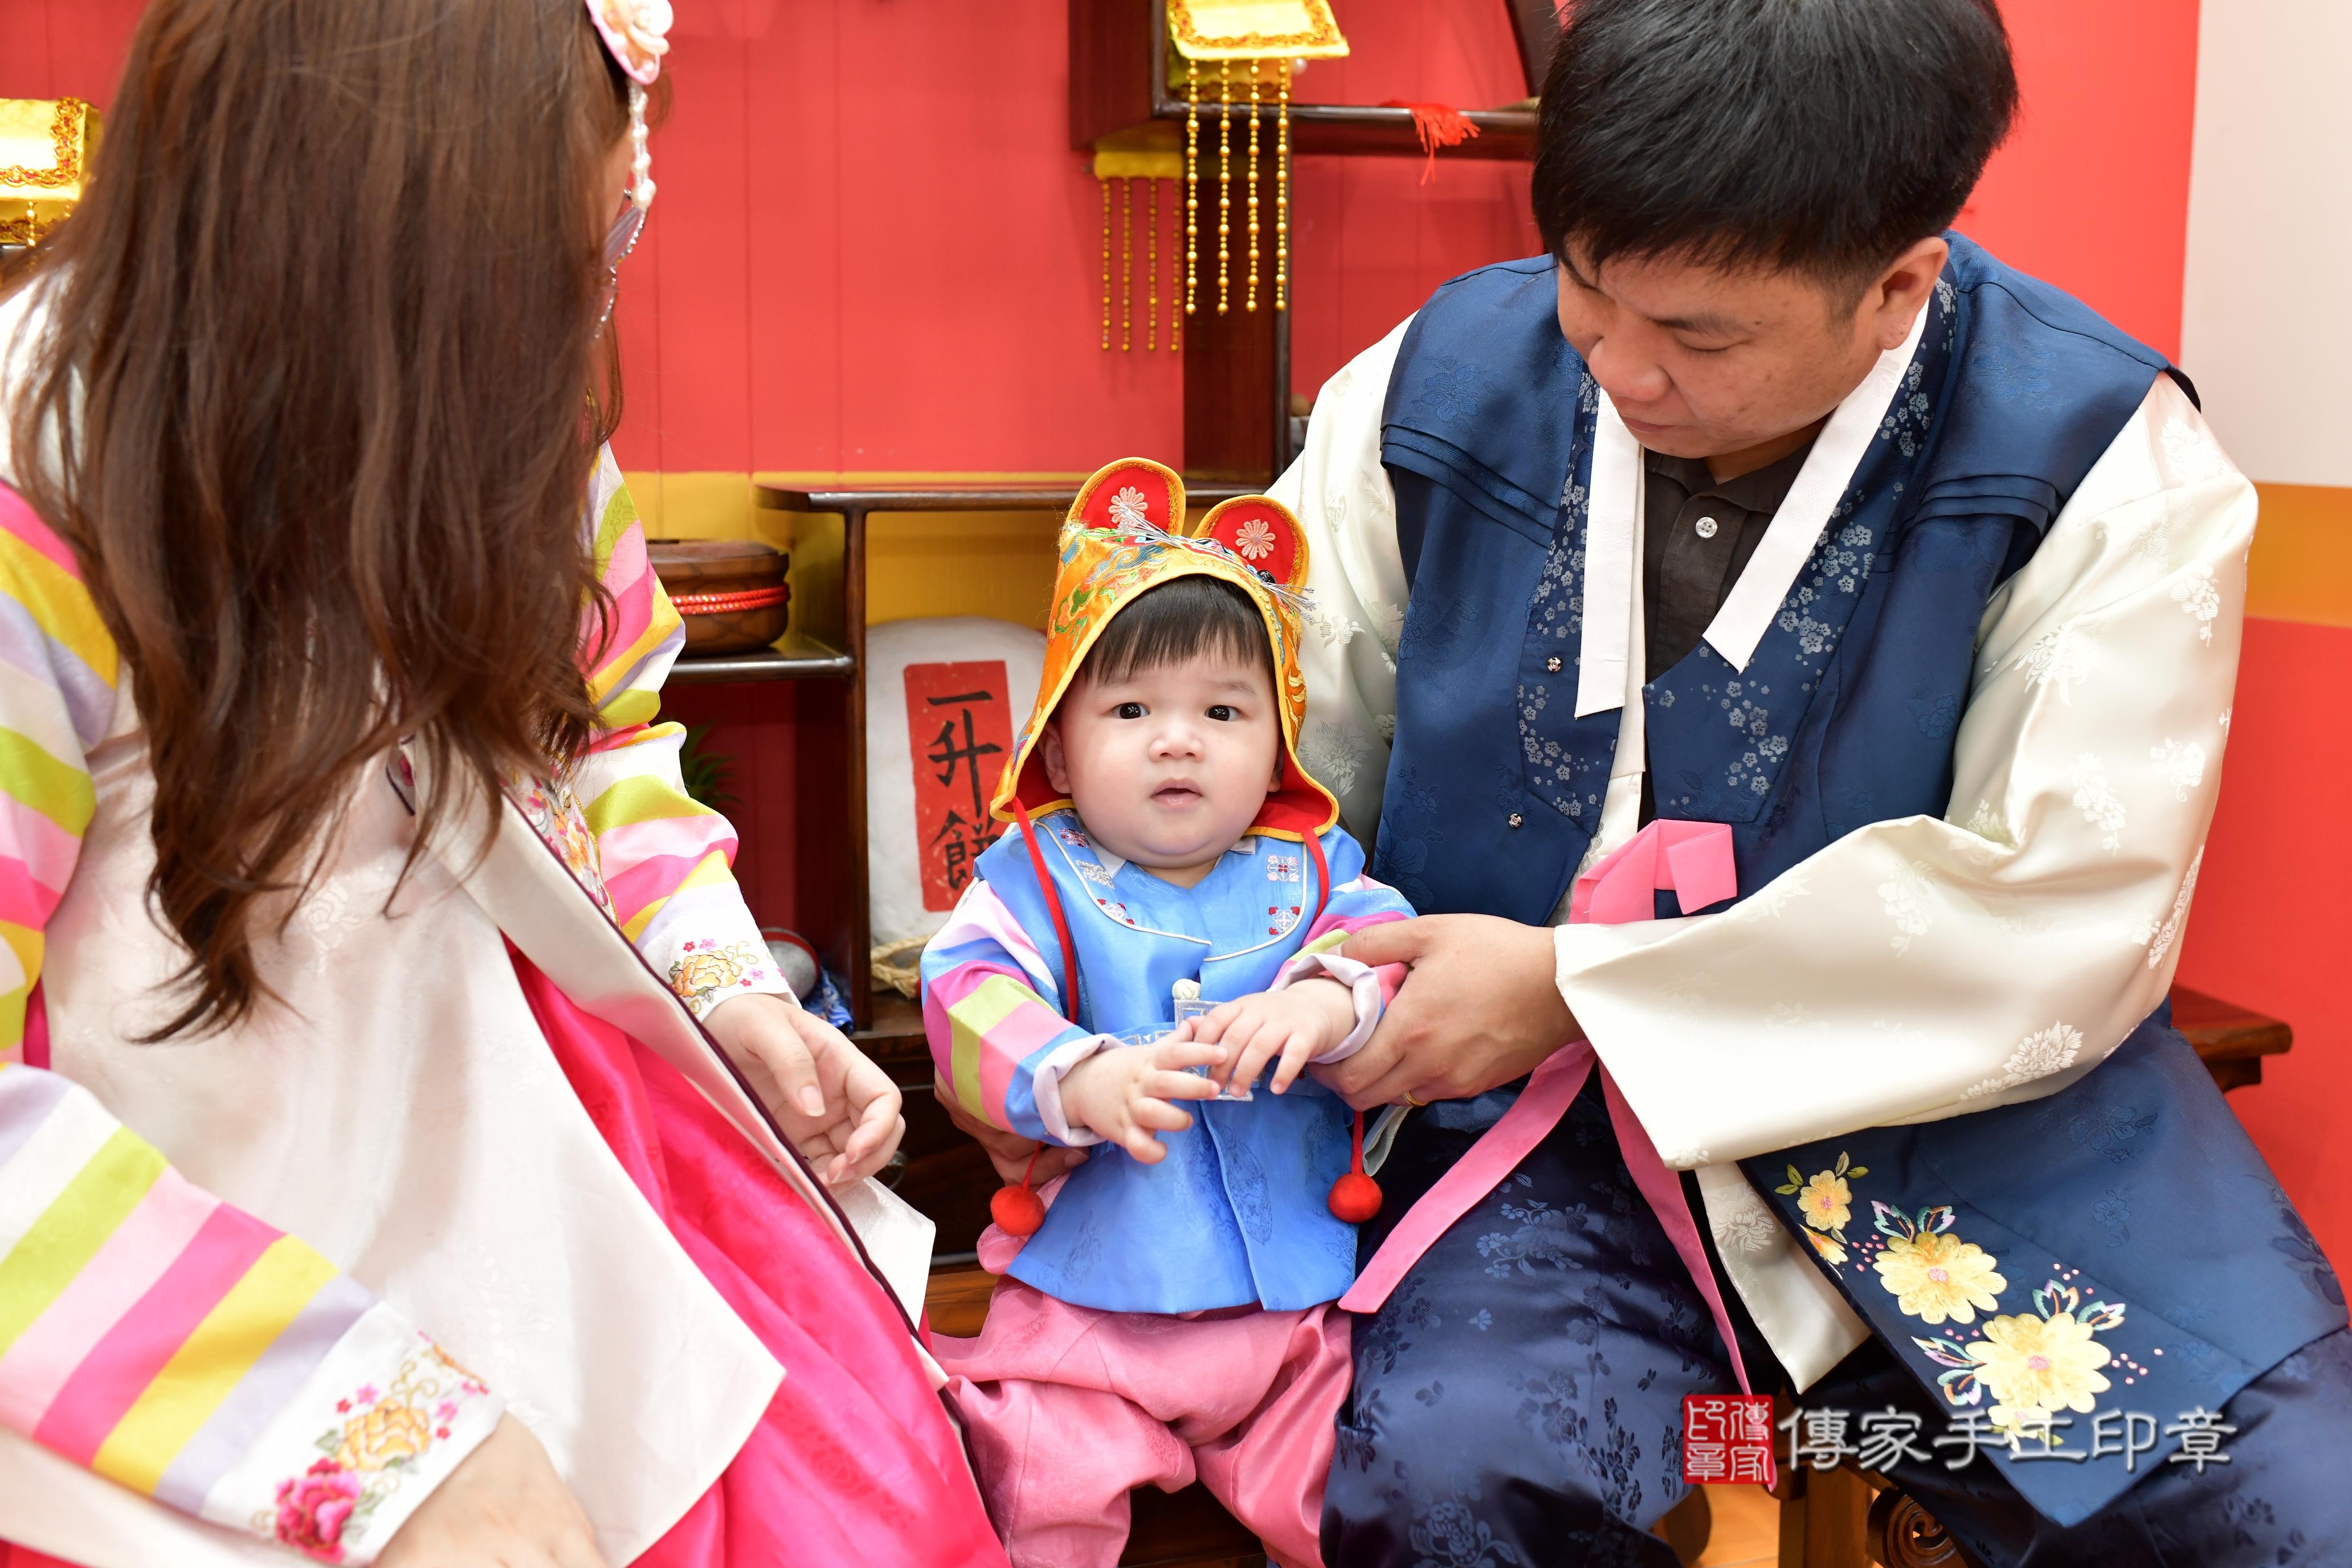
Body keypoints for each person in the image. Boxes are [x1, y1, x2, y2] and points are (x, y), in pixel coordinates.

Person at [948, 1, 2352, 1563]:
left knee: (2295, 1501)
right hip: (1516, 1138)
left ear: (1898, 283)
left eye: (1700, 337)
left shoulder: (2099, 454)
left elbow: (2065, 914)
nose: (1617, 366)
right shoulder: (1439, 381)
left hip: (1980, 1144)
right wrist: (1084, 1026)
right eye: (1589, 291)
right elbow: (1263, 763)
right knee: (1447, 1482)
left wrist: (1578, 985)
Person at [0, 2, 1006, 1565]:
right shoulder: (38, 479)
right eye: (560, 261)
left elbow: (600, 740)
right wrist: (382, 1451)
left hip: (517, 1132)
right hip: (149, 1258)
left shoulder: (486, 404)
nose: (575, 324)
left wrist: (728, 993)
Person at [922, 460, 1414, 1568]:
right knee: (1040, 1467)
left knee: (1353, 1484)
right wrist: (1073, 1072)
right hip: (1094, 1309)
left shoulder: (1317, 870)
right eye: (1132, 708)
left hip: (1289, 1316)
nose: (1178, 739)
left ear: (1279, 737)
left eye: (1223, 710)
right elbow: (966, 988)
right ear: (1056, 740)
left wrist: (1331, 1000)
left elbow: (1388, 951)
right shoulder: (1035, 876)